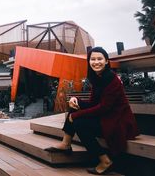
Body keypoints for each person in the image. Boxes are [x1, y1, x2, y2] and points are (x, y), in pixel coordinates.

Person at [47, 47, 139, 175]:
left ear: (107, 61)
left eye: (100, 59)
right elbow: (93, 104)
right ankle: (66, 143)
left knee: (79, 122)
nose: (96, 62)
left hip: (117, 122)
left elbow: (104, 108)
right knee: (74, 105)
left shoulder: (111, 79)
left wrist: (77, 115)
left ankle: (105, 160)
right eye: (93, 59)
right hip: (106, 117)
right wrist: (76, 100)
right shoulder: (98, 78)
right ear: (89, 61)